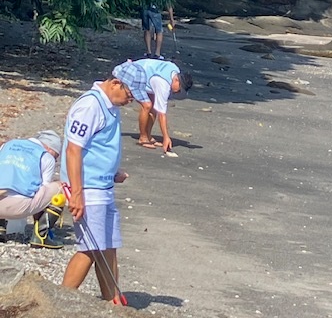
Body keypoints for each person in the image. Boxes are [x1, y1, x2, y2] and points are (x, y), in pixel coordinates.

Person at [60, 61, 149, 304]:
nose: (130, 101)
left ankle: (112, 300)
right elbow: (73, 150)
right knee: (90, 248)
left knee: (108, 244)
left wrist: (112, 173)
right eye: (130, 94)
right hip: (87, 188)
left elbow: (96, 149)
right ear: (116, 83)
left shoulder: (110, 106)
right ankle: (58, 301)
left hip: (102, 185)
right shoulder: (91, 105)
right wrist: (77, 193)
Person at [0, 130, 65, 248]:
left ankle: (1, 227)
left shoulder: (6, 145)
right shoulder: (46, 156)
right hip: (18, 207)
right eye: (56, 156)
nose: (54, 160)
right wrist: (37, 217)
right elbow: (43, 192)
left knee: (5, 179)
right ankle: (41, 235)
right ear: (51, 149)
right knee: (61, 188)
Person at [133, 58, 193, 151]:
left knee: (153, 105)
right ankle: (143, 138)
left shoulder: (175, 70)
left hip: (146, 74)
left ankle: (148, 136)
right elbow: (162, 114)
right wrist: (166, 137)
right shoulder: (163, 84)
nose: (177, 92)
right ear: (176, 80)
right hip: (134, 74)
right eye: (179, 89)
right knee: (147, 106)